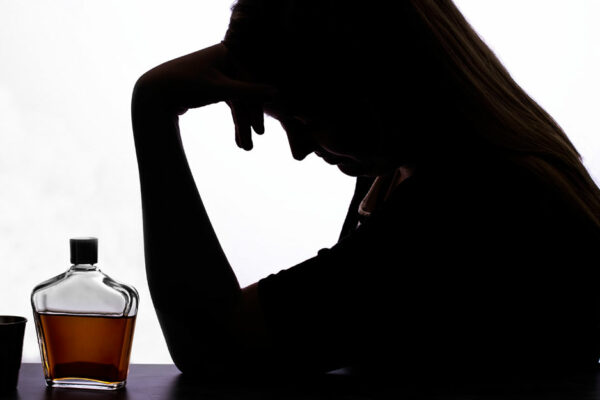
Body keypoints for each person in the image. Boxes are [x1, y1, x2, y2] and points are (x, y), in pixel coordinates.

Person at [131, 0, 600, 381]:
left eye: (305, 119)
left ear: (372, 83)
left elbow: (213, 344)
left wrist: (153, 107)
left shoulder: (465, 208)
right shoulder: (426, 172)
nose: (298, 149)